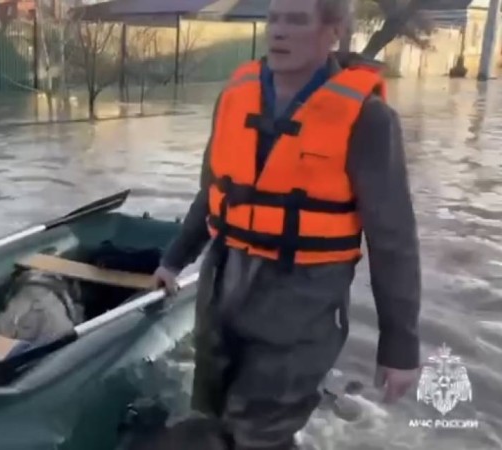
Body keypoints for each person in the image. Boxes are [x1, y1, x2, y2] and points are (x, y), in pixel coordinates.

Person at [152, 0, 422, 448]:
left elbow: (393, 239)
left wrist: (400, 347)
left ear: (332, 31)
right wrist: (174, 259)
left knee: (256, 434)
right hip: (224, 287)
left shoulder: (368, 120)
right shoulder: (235, 97)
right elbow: (214, 192)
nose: (278, 31)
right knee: (214, 417)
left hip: (303, 302)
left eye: (296, 20)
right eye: (274, 18)